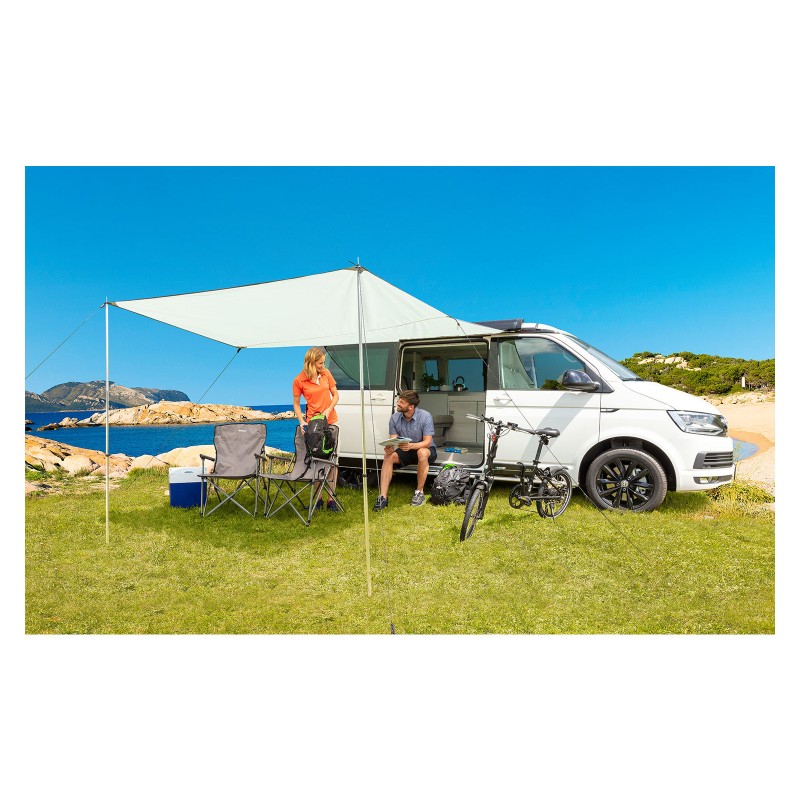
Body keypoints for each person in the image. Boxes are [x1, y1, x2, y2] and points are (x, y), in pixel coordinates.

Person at [292, 347, 340, 511]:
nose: (323, 366)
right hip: (313, 424)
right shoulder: (299, 380)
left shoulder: (326, 374)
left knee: (332, 460)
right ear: (311, 363)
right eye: (320, 363)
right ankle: (318, 498)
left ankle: (331, 499)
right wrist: (301, 421)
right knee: (317, 460)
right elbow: (296, 404)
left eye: (323, 363)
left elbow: (336, 395)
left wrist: (329, 409)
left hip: (331, 421)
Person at [373, 390, 436, 510]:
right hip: (407, 450)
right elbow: (393, 439)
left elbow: (427, 442)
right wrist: (390, 447)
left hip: (425, 449)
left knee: (422, 452)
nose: (398, 403)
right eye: (399, 401)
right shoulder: (394, 418)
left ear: (411, 407)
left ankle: (419, 492)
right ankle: (383, 497)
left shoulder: (425, 416)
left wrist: (411, 446)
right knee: (388, 456)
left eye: (402, 402)